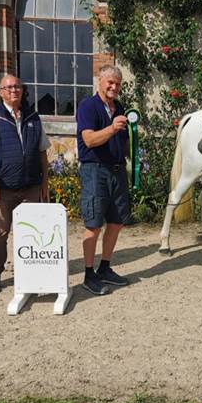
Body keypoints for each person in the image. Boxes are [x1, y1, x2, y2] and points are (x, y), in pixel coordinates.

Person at [0, 74, 50, 294]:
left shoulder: (33, 117)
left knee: (33, 232)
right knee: (0, 232)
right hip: (4, 186)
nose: (13, 90)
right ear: (0, 92)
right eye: (8, 87)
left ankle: (32, 273)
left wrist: (45, 182)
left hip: (30, 185)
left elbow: (42, 152)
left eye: (17, 86)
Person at [77, 65, 132, 295]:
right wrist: (111, 128)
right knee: (93, 225)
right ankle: (89, 275)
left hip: (117, 171)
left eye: (118, 84)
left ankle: (105, 268)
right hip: (95, 171)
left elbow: (123, 139)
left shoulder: (118, 107)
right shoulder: (87, 106)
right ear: (100, 81)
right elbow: (88, 139)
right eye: (110, 82)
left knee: (117, 222)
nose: (114, 87)